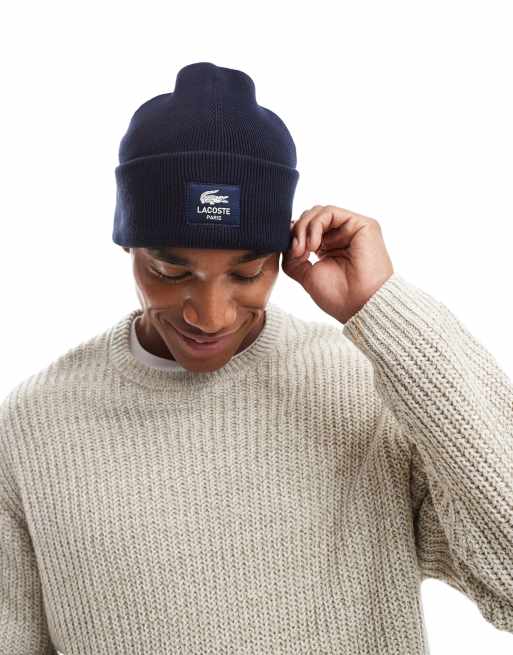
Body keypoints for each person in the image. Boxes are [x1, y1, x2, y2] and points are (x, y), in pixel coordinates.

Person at [1, 62, 512, 655]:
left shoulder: (363, 389)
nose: (210, 315)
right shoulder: (34, 424)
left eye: (246, 274)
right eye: (170, 272)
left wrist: (386, 309)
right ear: (128, 246)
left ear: (283, 255)